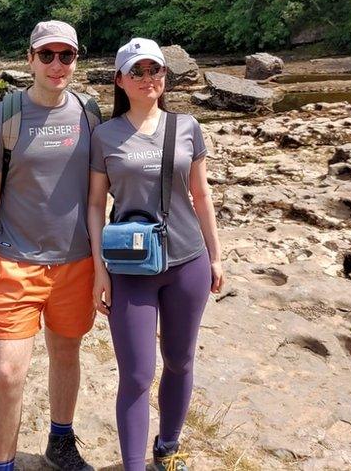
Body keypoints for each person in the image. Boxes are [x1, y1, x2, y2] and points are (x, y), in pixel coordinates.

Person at [87, 38, 223, 471]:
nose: (148, 79)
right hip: (130, 267)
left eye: (155, 70)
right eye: (138, 71)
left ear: (165, 76)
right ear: (120, 80)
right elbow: (94, 205)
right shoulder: (104, 135)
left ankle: (168, 447)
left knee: (180, 362)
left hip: (188, 261)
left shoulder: (187, 127)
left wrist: (216, 257)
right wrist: (99, 271)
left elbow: (201, 195)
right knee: (137, 374)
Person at [0, 20, 100, 471]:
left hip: (76, 263)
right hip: (15, 263)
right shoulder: (3, 118)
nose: (57, 64)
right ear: (30, 59)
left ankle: (60, 442)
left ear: (76, 60)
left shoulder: (91, 113)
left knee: (66, 354)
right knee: (6, 373)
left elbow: (106, 186)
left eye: (67, 55)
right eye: (47, 55)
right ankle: (1, 465)